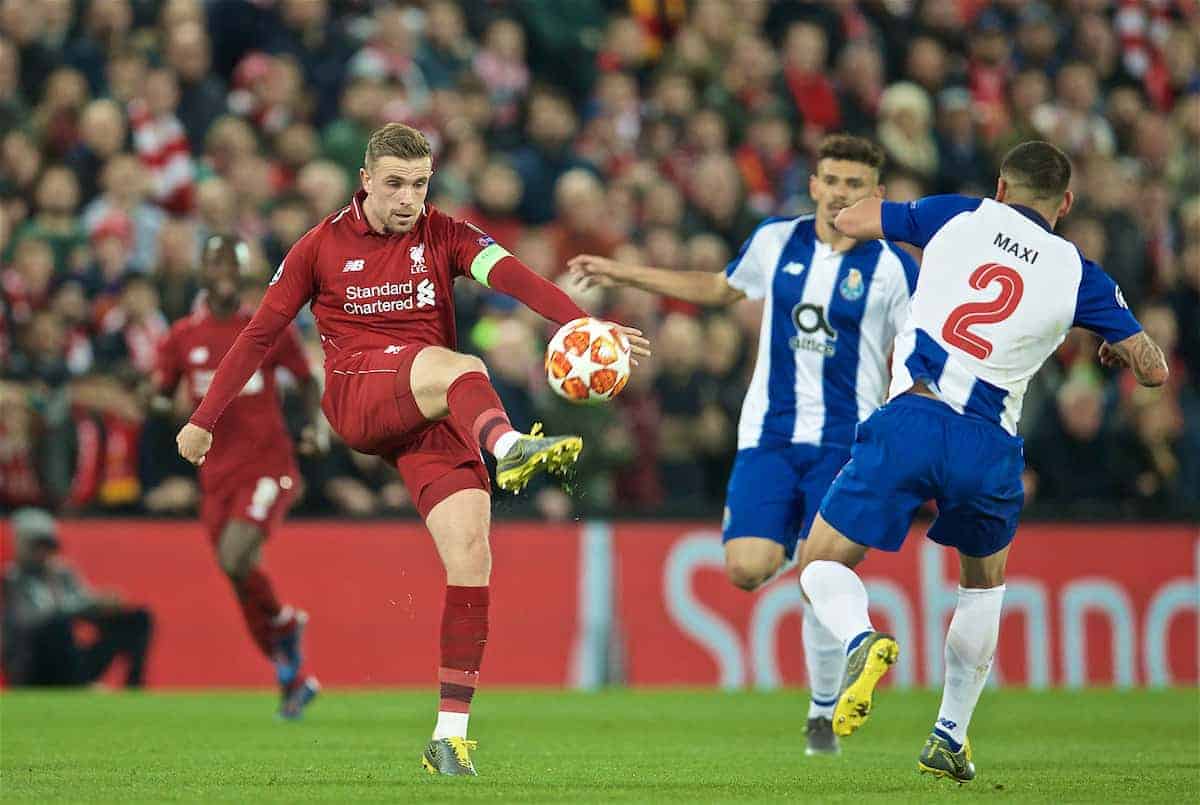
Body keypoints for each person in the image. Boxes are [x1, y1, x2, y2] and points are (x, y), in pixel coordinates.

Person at [174, 123, 648, 776]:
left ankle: (448, 735)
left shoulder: (445, 234)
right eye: (394, 184)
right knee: (463, 364)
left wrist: (580, 322)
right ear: (365, 180)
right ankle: (508, 445)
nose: (408, 199)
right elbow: (259, 333)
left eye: (419, 184)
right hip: (359, 394)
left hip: (431, 407)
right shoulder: (318, 247)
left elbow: (511, 275)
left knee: (471, 556)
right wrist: (204, 418)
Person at [797, 141, 1168, 783]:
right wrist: (1114, 344)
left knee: (820, 562)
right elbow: (1155, 370)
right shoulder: (1083, 274)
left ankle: (861, 640)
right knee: (983, 583)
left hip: (914, 415)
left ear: (1001, 186)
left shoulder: (957, 214)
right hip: (989, 446)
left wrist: (847, 215)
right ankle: (950, 734)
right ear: (1067, 204)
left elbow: (857, 218)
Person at [570, 134, 919, 756]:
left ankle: (822, 712)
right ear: (814, 184)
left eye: (855, 185)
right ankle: (811, 574)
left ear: (877, 196)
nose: (840, 193)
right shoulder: (776, 241)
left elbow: (923, 353)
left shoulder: (894, 269)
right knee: (746, 570)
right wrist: (623, 271)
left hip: (847, 447)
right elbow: (719, 287)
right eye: (832, 181)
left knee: (823, 570)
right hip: (770, 439)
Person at [153, 235, 321, 719]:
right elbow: (162, 395)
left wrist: (311, 427)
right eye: (215, 262)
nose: (223, 270)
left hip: (267, 465)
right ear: (202, 272)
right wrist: (160, 403)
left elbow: (306, 379)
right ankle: (288, 665)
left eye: (232, 263)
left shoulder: (266, 327)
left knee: (234, 555)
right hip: (215, 475)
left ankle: (286, 627)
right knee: (237, 573)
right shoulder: (182, 336)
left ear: (245, 273)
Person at [2, 508, 154, 687]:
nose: (43, 552)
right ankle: (80, 684)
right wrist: (86, 605)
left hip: (68, 660)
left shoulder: (62, 574)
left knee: (138, 618)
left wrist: (104, 606)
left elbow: (82, 600)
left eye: (47, 545)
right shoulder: (11, 579)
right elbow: (31, 621)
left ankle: (134, 684)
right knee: (57, 625)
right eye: (37, 545)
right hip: (31, 665)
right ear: (20, 544)